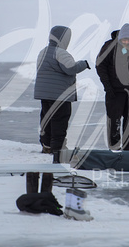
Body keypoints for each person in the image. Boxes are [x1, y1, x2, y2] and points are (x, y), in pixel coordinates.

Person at [34, 26, 90, 163]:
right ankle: (57, 149)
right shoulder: (61, 53)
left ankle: (46, 145)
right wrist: (84, 64)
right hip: (60, 94)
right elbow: (71, 68)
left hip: (45, 93)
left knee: (47, 118)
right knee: (60, 119)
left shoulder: (43, 51)